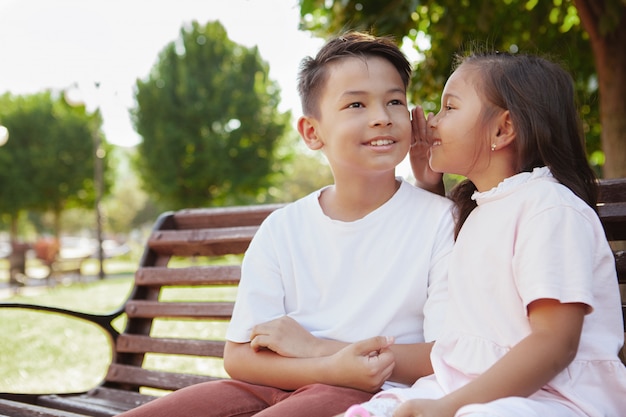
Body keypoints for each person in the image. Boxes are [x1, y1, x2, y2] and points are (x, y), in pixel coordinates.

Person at [117, 31, 455, 417]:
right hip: (265, 387)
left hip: (370, 394)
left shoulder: (438, 220)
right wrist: (325, 366)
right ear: (312, 132)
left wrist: (329, 362)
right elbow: (240, 357)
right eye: (356, 104)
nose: (381, 118)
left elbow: (446, 355)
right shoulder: (282, 228)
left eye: (394, 101)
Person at [339, 50, 626, 417]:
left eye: (449, 108)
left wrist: (446, 408)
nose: (430, 122)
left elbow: (555, 344)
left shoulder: (549, 209)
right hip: (467, 387)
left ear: (502, 129)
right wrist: (429, 185)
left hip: (555, 398)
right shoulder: (482, 211)